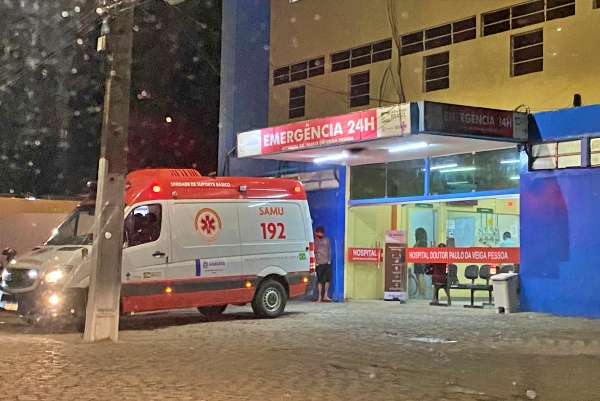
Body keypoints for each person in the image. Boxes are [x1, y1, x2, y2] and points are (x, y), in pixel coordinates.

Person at [314, 226, 332, 302]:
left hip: (326, 263)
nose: (320, 234)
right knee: (320, 281)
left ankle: (325, 295)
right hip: (318, 263)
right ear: (316, 233)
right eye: (319, 232)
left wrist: (329, 261)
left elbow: (329, 250)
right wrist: (315, 262)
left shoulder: (327, 240)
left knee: (327, 280)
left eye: (321, 232)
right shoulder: (314, 242)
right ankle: (319, 297)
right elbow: (313, 252)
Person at [413, 227, 428, 299]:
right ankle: (421, 293)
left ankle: (422, 293)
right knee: (420, 277)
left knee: (420, 277)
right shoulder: (424, 242)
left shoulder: (420, 242)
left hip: (419, 261)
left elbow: (415, 249)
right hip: (420, 261)